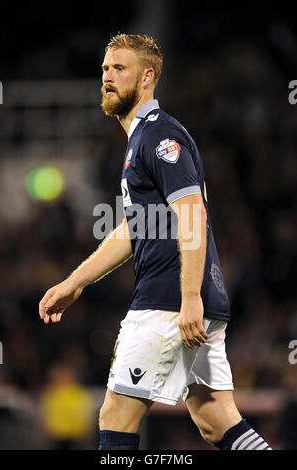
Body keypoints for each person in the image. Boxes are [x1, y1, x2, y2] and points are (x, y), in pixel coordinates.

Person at [39, 34, 272, 451]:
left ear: (148, 78)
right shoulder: (138, 142)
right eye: (106, 69)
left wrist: (188, 299)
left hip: (168, 300)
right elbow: (134, 228)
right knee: (217, 422)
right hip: (190, 298)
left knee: (115, 416)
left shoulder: (160, 136)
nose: (108, 77)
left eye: (119, 69)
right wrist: (74, 283)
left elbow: (192, 213)